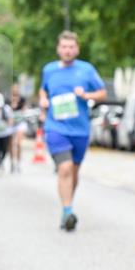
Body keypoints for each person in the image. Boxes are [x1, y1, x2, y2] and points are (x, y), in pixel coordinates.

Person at [38, 30, 106, 231]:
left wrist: (86, 95)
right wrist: (43, 99)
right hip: (56, 127)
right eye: (64, 47)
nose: (67, 50)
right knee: (65, 168)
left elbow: (102, 93)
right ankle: (68, 211)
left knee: (74, 172)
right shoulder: (49, 70)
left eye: (71, 47)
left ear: (77, 49)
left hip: (80, 130)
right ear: (58, 49)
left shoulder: (86, 70)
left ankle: (66, 207)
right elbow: (43, 89)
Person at [0, 92, 15, 172]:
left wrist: (9, 123)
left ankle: (2, 160)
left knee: (4, 149)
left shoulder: (7, 108)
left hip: (5, 133)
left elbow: (11, 119)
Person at [10, 84, 28, 173]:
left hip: (20, 123)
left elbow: (25, 110)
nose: (15, 90)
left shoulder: (22, 99)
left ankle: (18, 163)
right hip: (10, 124)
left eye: (17, 89)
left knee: (18, 144)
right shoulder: (8, 100)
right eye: (14, 89)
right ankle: (12, 163)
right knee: (11, 145)